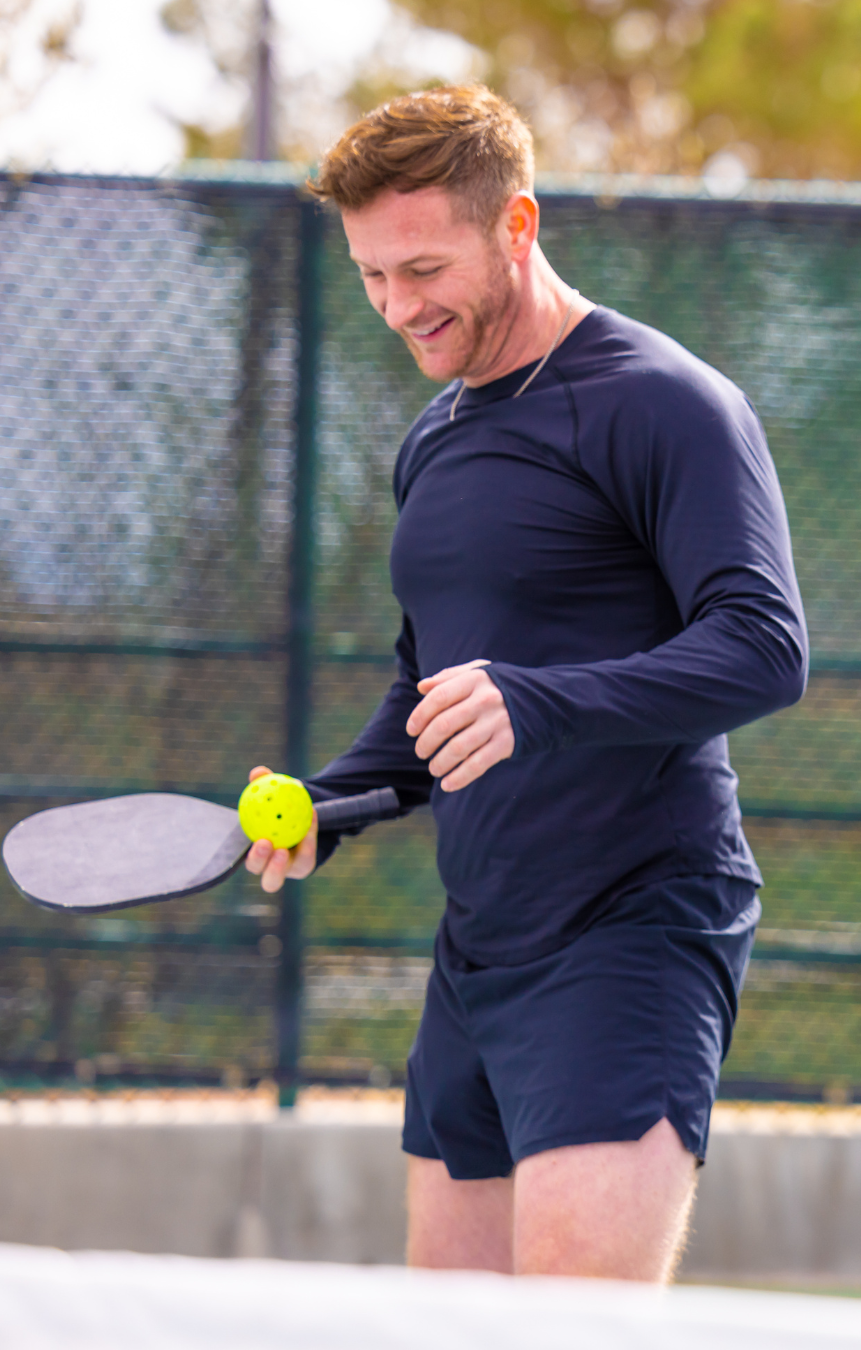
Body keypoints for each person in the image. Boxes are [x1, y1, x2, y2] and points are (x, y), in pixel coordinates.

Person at [245, 84, 807, 1283]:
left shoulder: (665, 403)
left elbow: (764, 645)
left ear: (517, 224)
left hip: (633, 932)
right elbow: (431, 689)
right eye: (371, 275)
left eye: (424, 269)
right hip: (478, 949)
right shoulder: (434, 437)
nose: (398, 306)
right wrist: (331, 805)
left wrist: (536, 701)